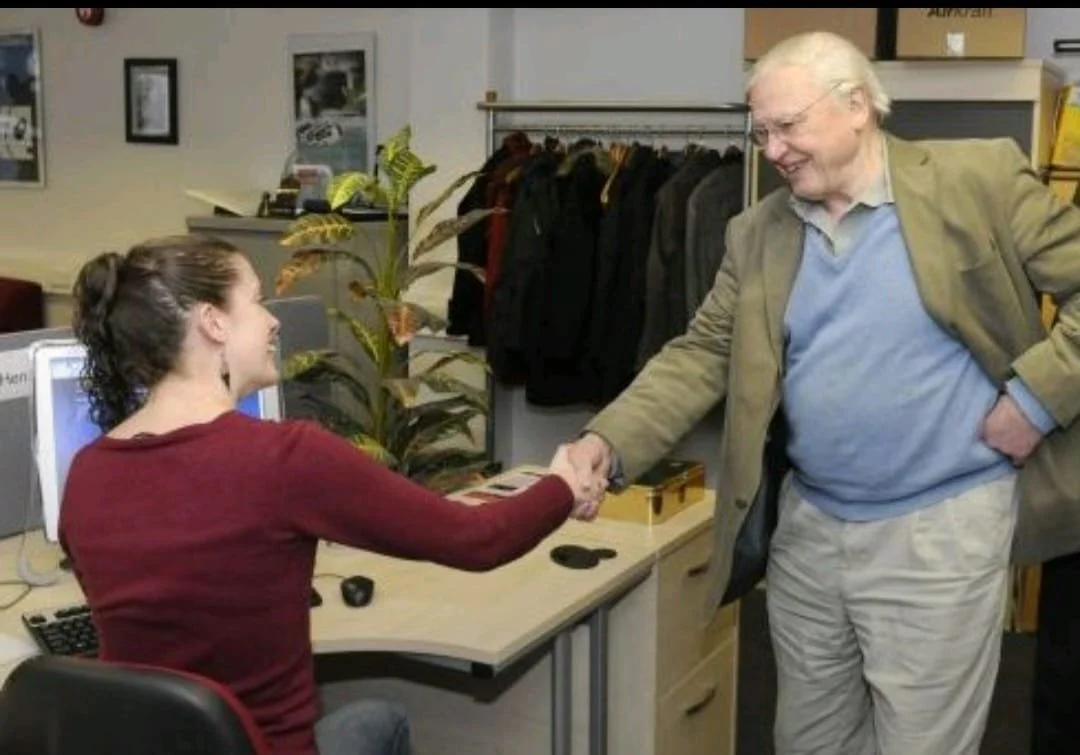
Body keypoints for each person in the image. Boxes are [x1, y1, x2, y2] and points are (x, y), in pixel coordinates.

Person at [562, 30, 1080, 755]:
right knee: (809, 741)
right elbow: (703, 352)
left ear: (858, 106)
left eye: (788, 125)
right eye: (762, 131)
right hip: (811, 536)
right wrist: (602, 441)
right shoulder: (758, 232)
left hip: (940, 532)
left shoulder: (977, 180)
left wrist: (1034, 399)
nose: (772, 150)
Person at [59, 234, 600, 755]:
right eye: (257, 301)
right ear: (213, 322)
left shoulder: (85, 475)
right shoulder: (284, 459)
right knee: (381, 719)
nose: (274, 321)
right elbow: (475, 540)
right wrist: (561, 485)